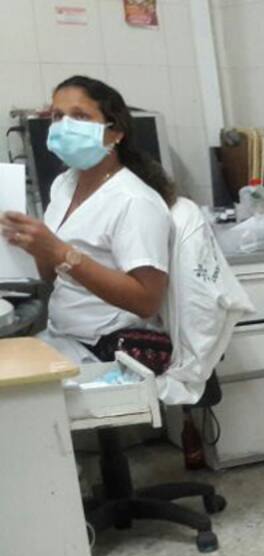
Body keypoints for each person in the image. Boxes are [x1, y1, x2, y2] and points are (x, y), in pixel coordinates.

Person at [1, 76, 175, 373]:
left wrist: (60, 252)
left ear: (115, 132)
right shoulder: (64, 185)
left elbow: (147, 300)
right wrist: (32, 244)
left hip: (109, 349)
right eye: (58, 116)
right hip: (63, 337)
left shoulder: (134, 201)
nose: (65, 126)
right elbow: (52, 276)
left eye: (80, 116)